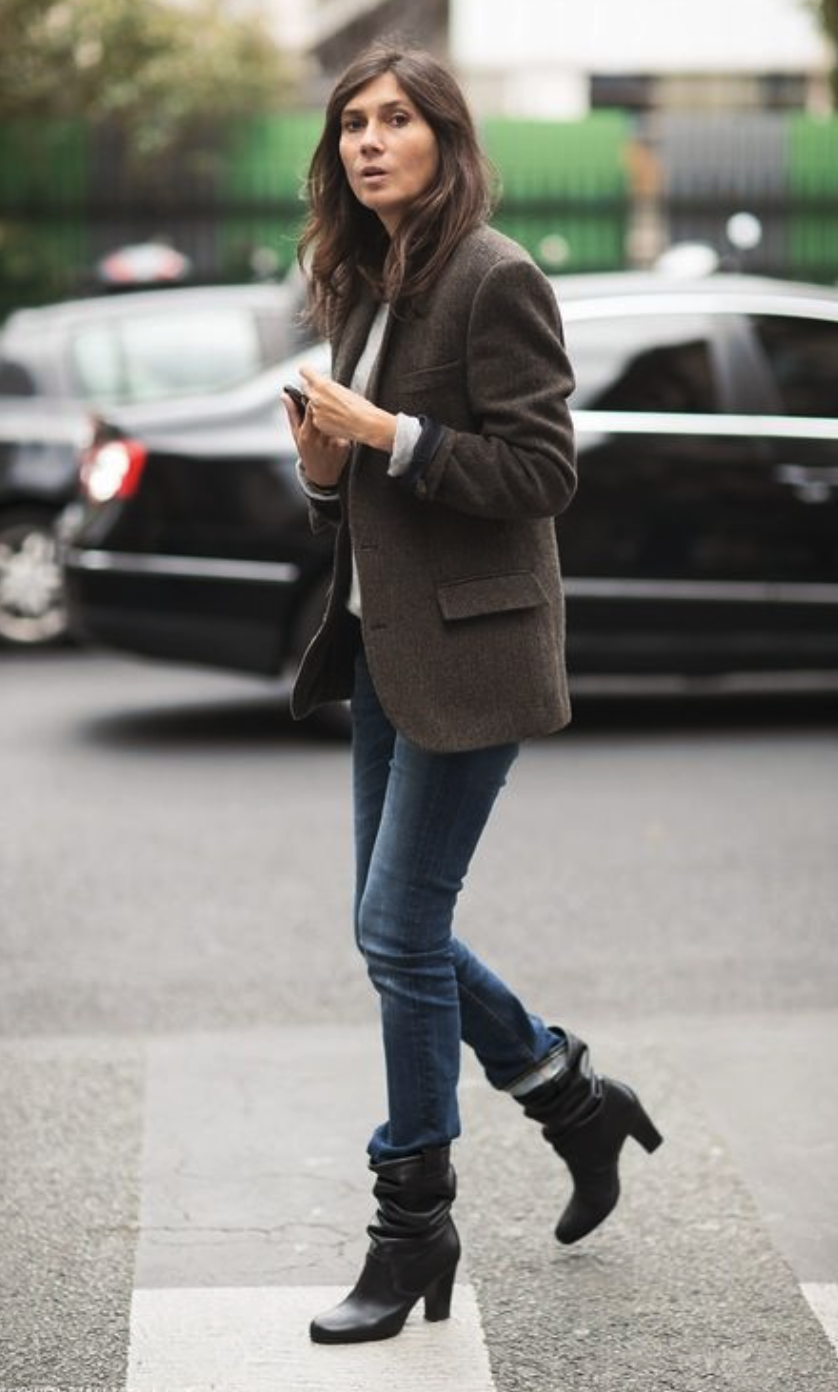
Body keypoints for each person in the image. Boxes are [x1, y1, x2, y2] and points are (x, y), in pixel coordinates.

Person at [281, 41, 663, 1347]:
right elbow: (364, 496)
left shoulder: (492, 277)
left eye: (395, 119)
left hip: (476, 648)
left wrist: (390, 436)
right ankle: (568, 1095)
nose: (368, 141)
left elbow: (542, 470)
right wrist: (328, 468)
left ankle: (412, 1222)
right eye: (350, 125)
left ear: (445, 136)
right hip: (384, 643)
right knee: (392, 930)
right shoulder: (361, 281)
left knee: (393, 932)